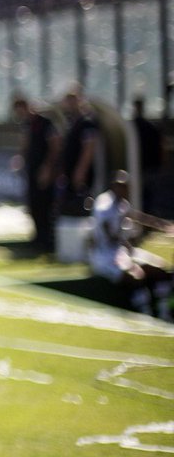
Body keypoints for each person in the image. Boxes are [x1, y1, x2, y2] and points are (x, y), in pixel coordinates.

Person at [89, 170, 174, 321]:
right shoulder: (104, 205)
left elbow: (136, 216)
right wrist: (128, 240)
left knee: (160, 269)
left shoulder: (122, 203)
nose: (124, 190)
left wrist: (162, 225)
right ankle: (145, 314)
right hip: (106, 256)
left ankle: (163, 311)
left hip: (123, 251)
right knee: (136, 275)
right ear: (114, 186)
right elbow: (109, 234)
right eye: (121, 186)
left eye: (126, 186)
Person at [12, 92, 61, 253]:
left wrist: (47, 168)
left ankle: (47, 241)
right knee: (33, 205)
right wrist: (20, 158)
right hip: (32, 171)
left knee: (45, 205)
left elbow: (55, 146)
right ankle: (38, 237)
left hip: (45, 171)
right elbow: (25, 145)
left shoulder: (45, 123)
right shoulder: (27, 125)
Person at [55, 83, 100, 217]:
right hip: (70, 174)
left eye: (73, 100)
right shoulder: (71, 123)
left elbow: (89, 148)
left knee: (81, 205)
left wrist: (81, 171)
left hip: (81, 175)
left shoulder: (86, 122)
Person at [132, 96, 164, 213]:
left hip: (139, 166)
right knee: (148, 194)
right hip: (149, 166)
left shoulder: (133, 127)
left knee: (139, 193)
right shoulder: (151, 127)